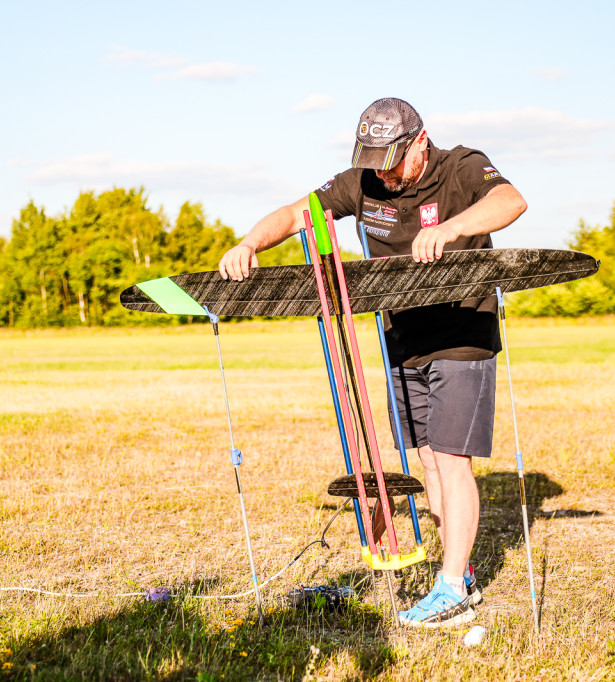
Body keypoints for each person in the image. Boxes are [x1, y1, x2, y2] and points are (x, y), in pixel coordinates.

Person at [218, 98, 526, 627]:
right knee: (428, 459)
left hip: (462, 330)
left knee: (452, 460)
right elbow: (296, 213)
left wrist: (450, 231)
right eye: (373, 158)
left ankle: (451, 588)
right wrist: (251, 241)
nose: (381, 170)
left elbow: (511, 200)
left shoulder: (461, 166)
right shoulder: (361, 183)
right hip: (402, 338)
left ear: (420, 142)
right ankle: (461, 571)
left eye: (392, 158)